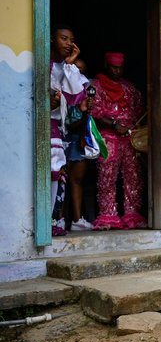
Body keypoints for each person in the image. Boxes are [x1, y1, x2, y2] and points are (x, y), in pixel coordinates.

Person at [91, 52, 146, 230]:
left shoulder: (129, 88)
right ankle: (108, 215)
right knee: (107, 177)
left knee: (133, 177)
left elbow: (139, 109)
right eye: (114, 67)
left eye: (120, 67)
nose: (117, 71)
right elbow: (93, 111)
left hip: (130, 138)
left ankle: (132, 215)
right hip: (108, 137)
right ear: (107, 66)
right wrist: (114, 124)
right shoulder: (96, 85)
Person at [49, 25, 89, 236]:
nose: (68, 43)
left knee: (58, 172)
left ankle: (55, 220)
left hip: (57, 127)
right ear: (52, 39)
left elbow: (77, 96)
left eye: (71, 39)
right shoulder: (45, 65)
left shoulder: (65, 67)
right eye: (63, 38)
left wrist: (71, 63)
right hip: (44, 124)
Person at [63, 58, 94, 231]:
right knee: (60, 179)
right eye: (75, 70)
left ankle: (76, 219)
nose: (79, 73)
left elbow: (85, 122)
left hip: (79, 139)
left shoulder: (87, 94)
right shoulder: (63, 92)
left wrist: (86, 110)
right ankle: (58, 219)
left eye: (82, 70)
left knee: (77, 180)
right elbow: (68, 123)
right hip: (63, 137)